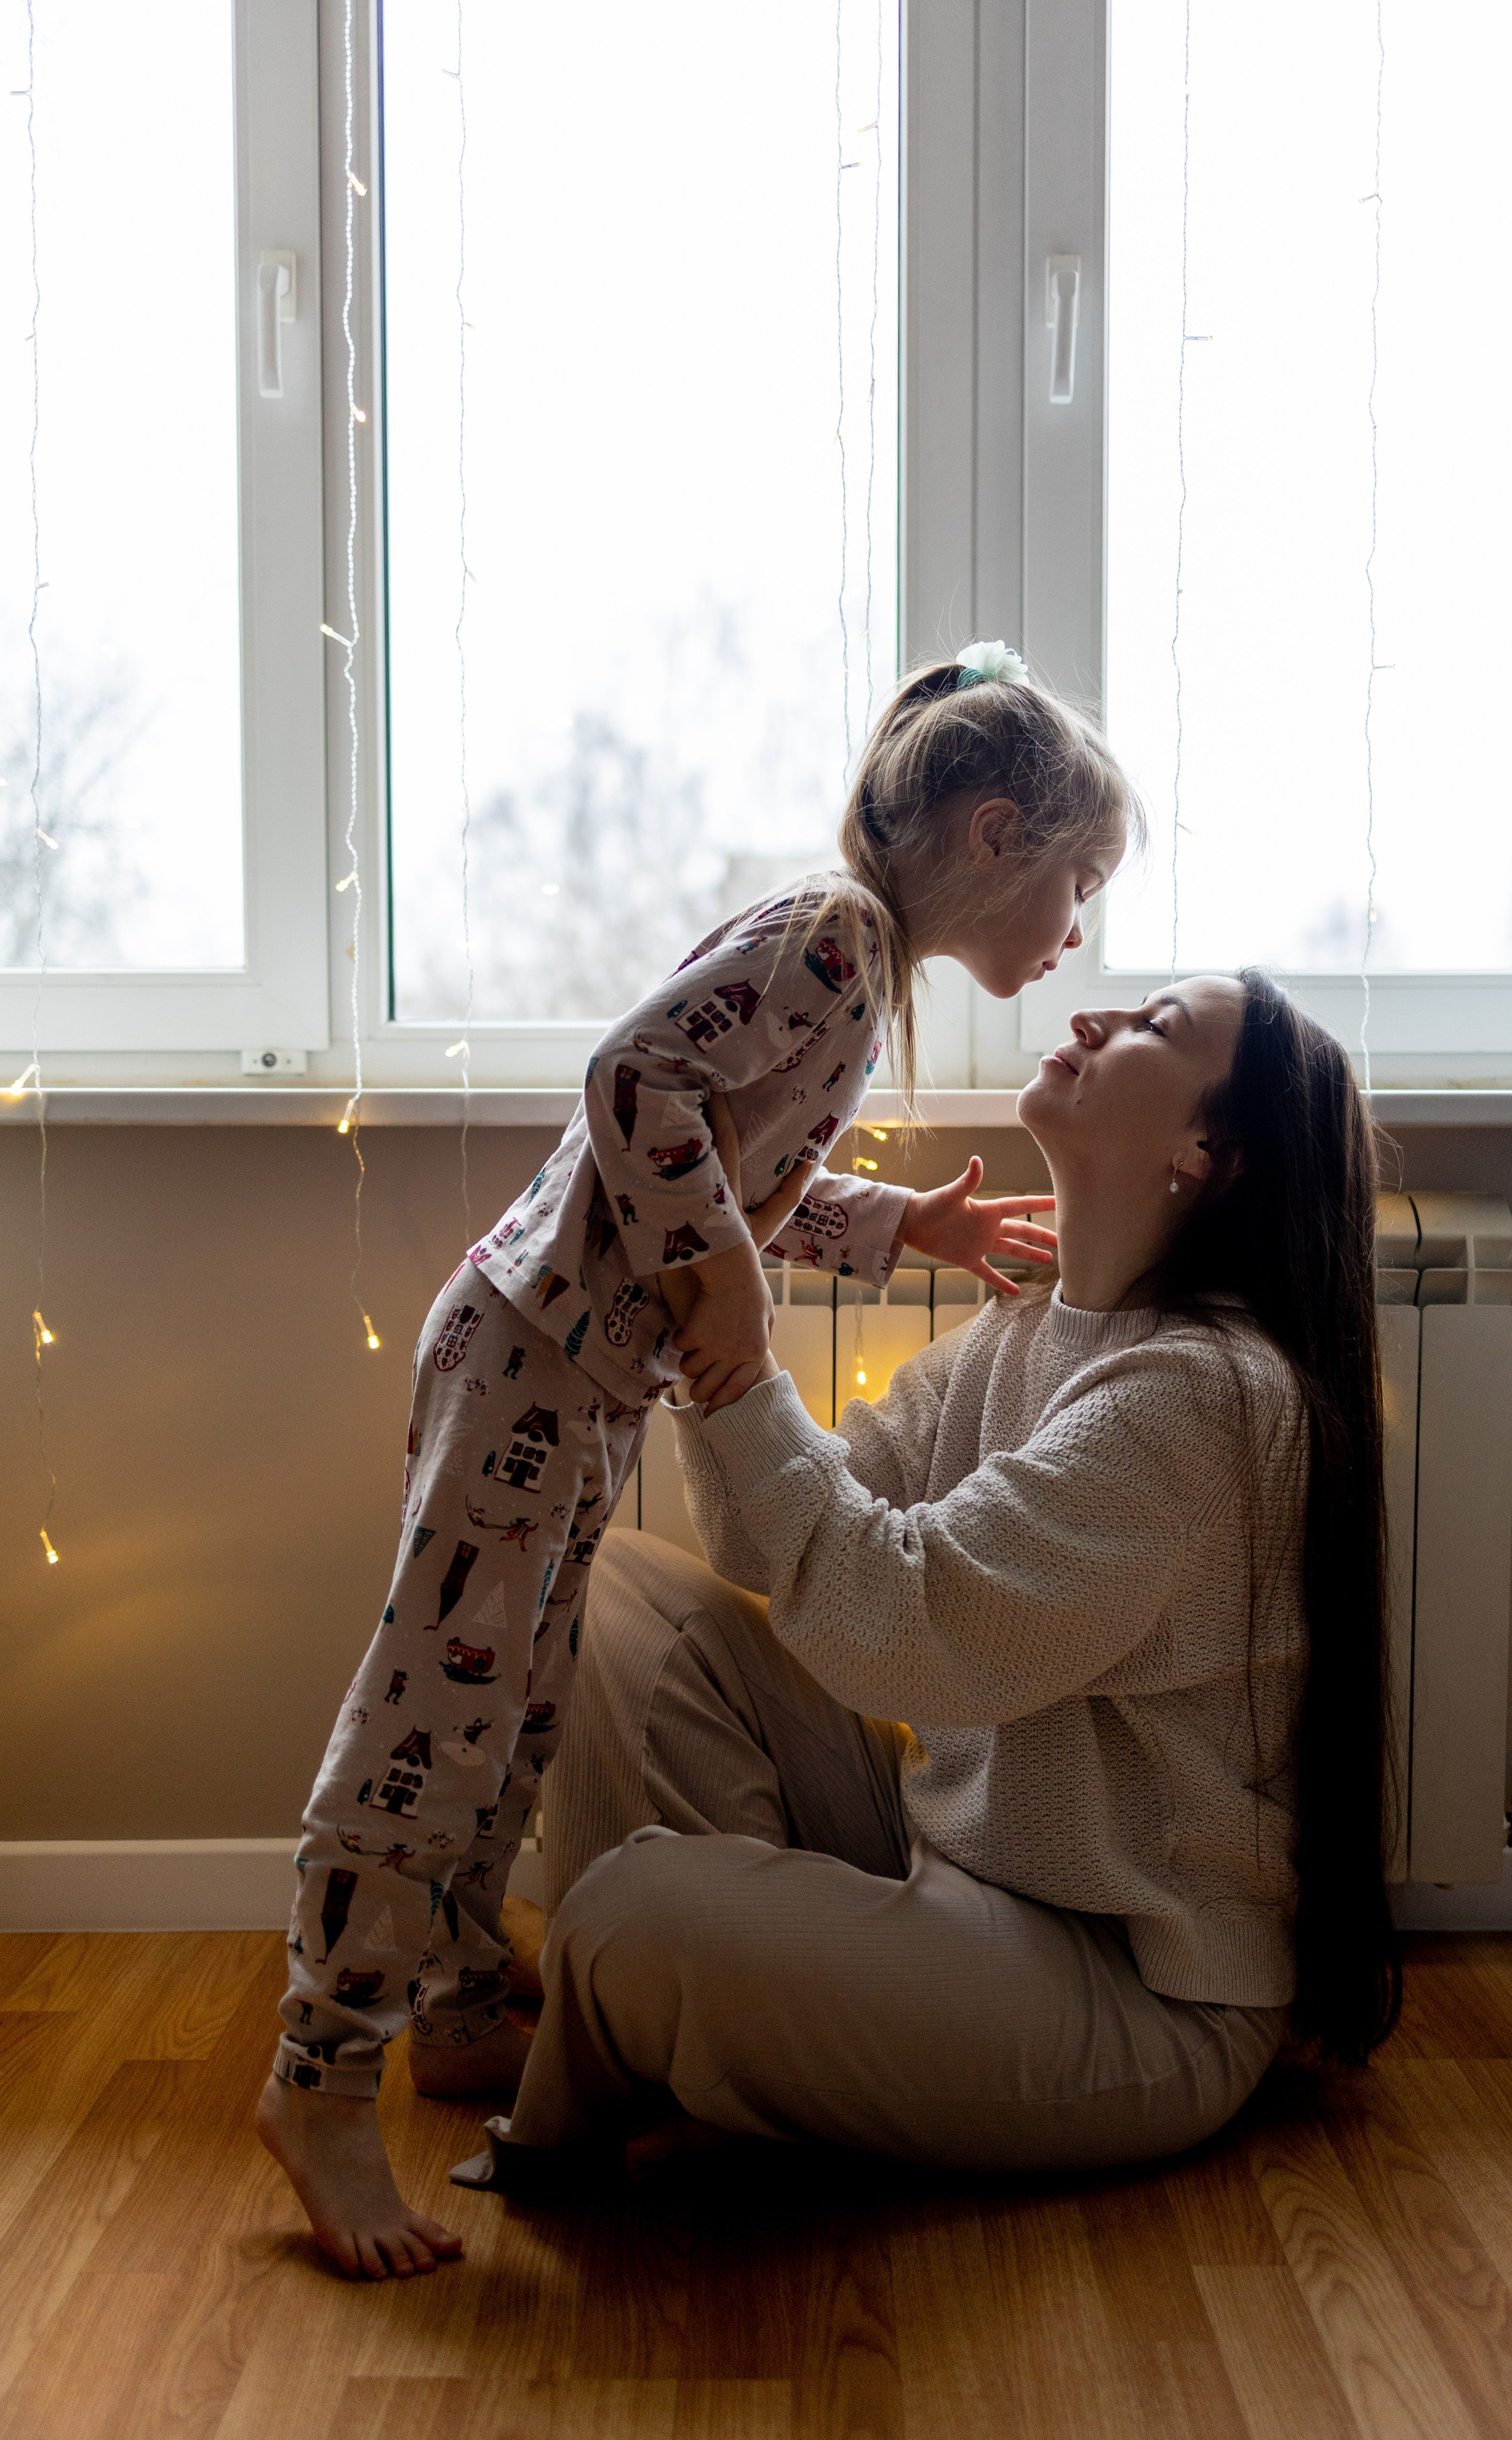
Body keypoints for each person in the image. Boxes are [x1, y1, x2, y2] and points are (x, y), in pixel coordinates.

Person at [257, 641, 1137, 2279]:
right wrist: (728, 1276)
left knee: (515, 1704)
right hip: (529, 1348)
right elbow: (633, 1078)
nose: (1073, 931)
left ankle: (451, 2008)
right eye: (1074, 884)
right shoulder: (832, 934)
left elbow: (721, 1159)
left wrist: (890, 1220)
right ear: (994, 833)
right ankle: (318, 2078)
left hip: (580, 1375)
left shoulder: (856, 969)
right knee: (430, 1720)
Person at [450, 970, 1401, 2197]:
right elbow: (772, 1538)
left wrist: (738, 1355)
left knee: (634, 1917)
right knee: (611, 1580)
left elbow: (901, 1622)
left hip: (1128, 1987)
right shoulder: (1021, 1335)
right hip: (953, 1857)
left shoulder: (1204, 1394)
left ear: (1206, 1151)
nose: (1090, 1020)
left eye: (1152, 1029)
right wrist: (718, 1336)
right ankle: (734, 2003)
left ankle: (695, 1990)